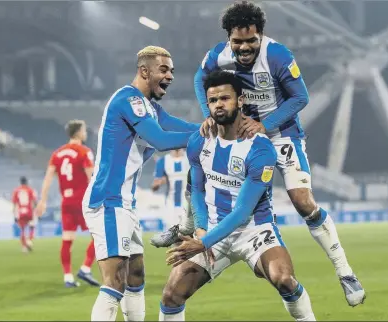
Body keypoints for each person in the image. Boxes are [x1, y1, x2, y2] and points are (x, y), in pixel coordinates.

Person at [153, 0, 365, 306]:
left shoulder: (277, 55)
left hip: (280, 133)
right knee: (201, 162)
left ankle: (345, 272)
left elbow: (300, 97)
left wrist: (264, 125)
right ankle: (185, 226)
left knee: (303, 202)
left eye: (251, 40)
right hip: (240, 130)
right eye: (238, 41)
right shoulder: (217, 55)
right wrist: (209, 114)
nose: (244, 47)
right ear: (229, 39)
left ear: (261, 36)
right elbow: (201, 80)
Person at [159, 70, 316, 321]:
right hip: (212, 230)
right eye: (212, 100)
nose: (218, 105)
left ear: (240, 100)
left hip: (254, 230)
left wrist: (204, 242)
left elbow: (243, 211)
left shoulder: (260, 149)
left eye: (225, 98)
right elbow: (197, 191)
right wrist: (201, 229)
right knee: (171, 295)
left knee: (285, 280)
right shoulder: (199, 142)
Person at [82, 46, 200, 321]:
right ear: (144, 71)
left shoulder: (150, 108)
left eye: (171, 70)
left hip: (125, 203)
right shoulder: (128, 100)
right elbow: (161, 140)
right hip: (108, 200)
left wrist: (218, 127)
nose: (170, 75)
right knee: (115, 282)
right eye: (164, 69)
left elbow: (180, 126)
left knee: (135, 276)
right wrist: (207, 139)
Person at [34, 120, 100, 288]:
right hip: (83, 201)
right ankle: (85, 268)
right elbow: (91, 177)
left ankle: (68, 277)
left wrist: (42, 201)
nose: (86, 133)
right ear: (78, 132)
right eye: (84, 130)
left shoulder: (57, 154)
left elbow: (48, 178)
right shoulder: (84, 151)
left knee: (67, 239)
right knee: (100, 235)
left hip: (67, 202)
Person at [150, 149, 190, 231]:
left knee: (187, 235)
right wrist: (157, 183)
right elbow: (154, 186)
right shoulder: (163, 161)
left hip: (188, 203)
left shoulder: (190, 158)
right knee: (172, 235)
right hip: (170, 203)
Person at [12, 177, 37, 252]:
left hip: (20, 211)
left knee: (22, 229)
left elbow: (14, 203)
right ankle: (29, 240)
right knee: (32, 226)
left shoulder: (16, 191)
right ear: (26, 182)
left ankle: (24, 247)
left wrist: (14, 214)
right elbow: (34, 201)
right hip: (29, 211)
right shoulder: (30, 190)